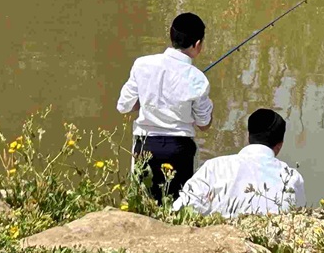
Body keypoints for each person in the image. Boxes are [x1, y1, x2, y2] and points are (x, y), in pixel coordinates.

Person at [116, 12, 213, 201]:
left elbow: (124, 106)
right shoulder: (198, 79)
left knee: (142, 203)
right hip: (180, 149)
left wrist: (144, 100)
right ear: (198, 44)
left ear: (171, 35)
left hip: (145, 145)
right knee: (179, 205)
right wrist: (210, 108)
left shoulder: (142, 64)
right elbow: (204, 124)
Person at [173, 107, 305, 218]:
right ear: (279, 145)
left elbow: (181, 208)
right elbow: (297, 218)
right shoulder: (292, 177)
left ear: (248, 136)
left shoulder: (214, 167)